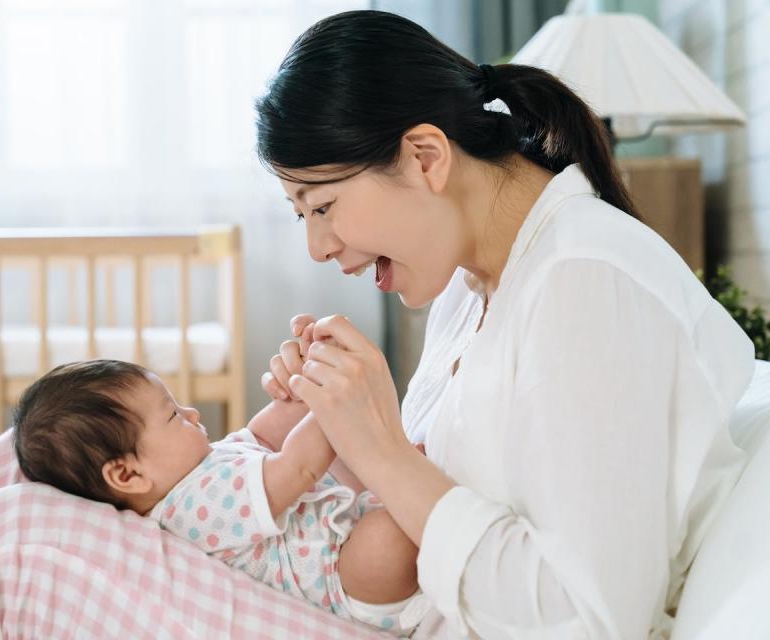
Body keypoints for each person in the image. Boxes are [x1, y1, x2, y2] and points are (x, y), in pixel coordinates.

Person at [254, 9, 755, 639]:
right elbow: (426, 515)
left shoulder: (587, 281)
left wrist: (381, 450)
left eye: (322, 205)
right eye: (301, 214)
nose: (317, 248)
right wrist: (335, 427)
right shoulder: (466, 293)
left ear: (425, 157)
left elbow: (586, 620)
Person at [12, 353, 429, 636]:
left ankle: (394, 485)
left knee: (382, 498)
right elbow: (296, 467)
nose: (192, 414)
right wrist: (330, 398)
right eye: (173, 415)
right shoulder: (192, 508)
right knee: (386, 541)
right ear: (127, 473)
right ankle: (401, 491)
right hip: (342, 581)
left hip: (341, 531)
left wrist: (301, 384)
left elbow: (265, 435)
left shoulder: (204, 467)